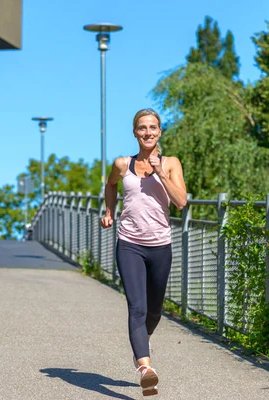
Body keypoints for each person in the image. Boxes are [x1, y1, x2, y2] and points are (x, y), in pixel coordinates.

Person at [100, 108, 187, 396]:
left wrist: (160, 172)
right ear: (135, 133)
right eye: (142, 128)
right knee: (137, 307)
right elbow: (110, 184)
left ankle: (142, 340)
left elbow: (181, 202)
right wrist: (110, 211)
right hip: (130, 244)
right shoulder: (122, 164)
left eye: (152, 127)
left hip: (160, 245)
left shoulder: (172, 163)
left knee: (154, 310)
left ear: (160, 131)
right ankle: (145, 369)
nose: (147, 132)